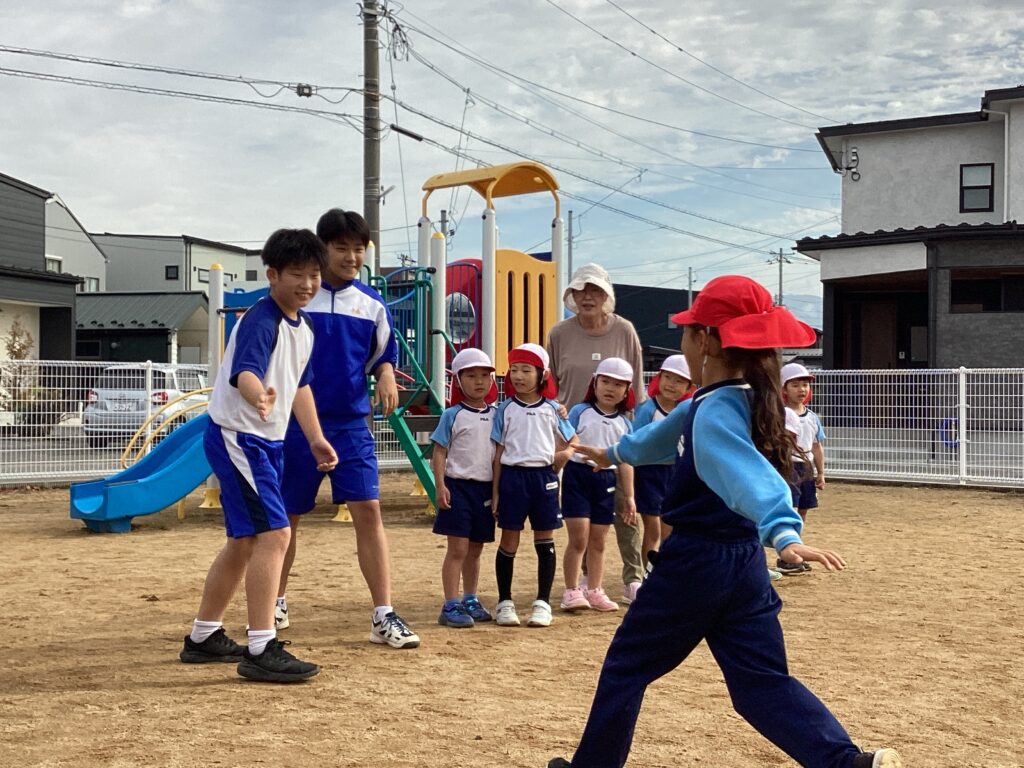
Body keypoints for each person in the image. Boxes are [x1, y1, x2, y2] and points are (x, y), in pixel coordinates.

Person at [550, 275, 902, 768]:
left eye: (688, 331)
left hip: (696, 561)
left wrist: (783, 530)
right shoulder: (741, 397)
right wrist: (610, 454)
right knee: (761, 683)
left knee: (626, 668)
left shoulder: (712, 410)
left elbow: (749, 475)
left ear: (706, 341)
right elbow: (655, 440)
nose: (684, 341)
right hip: (744, 566)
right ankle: (849, 763)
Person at [179, 229, 337, 683]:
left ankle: (204, 637)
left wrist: (315, 438)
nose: (307, 284)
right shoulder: (261, 318)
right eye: (296, 275)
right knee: (276, 535)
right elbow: (245, 371)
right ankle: (261, 646)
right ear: (272, 274)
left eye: (313, 275)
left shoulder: (303, 327)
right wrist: (257, 397)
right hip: (239, 437)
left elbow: (299, 385)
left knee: (246, 540)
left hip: (266, 442)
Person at [278, 209, 419, 649]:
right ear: (322, 249)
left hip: (352, 423)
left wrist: (387, 374)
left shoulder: (372, 304)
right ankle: (274, 602)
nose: (351, 256)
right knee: (287, 518)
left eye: (358, 248)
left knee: (369, 510)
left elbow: (382, 355)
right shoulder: (298, 301)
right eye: (341, 248)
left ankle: (383, 614)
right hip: (295, 425)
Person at [546, 263, 646, 605]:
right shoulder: (559, 333)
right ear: (571, 295)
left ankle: (634, 577)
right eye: (580, 290)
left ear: (607, 295)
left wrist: (638, 432)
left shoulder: (625, 330)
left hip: (618, 433)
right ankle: (587, 582)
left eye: (596, 291)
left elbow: (639, 385)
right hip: (573, 435)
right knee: (584, 518)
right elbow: (554, 384)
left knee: (625, 510)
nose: (588, 297)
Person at [491, 343, 577, 628]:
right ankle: (505, 602)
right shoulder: (504, 410)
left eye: (526, 370)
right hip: (513, 479)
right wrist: (496, 491)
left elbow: (572, 440)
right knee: (509, 540)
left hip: (544, 479)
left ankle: (542, 602)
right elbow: (499, 453)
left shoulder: (553, 410)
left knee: (545, 539)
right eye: (514, 370)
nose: (518, 376)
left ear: (543, 374)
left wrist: (564, 455)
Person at [429, 348, 500, 628]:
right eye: (471, 376)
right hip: (458, 487)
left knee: (476, 548)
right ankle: (450, 603)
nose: (479, 381)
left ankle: (470, 598)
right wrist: (440, 485)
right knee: (457, 548)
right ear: (458, 380)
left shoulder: (498, 415)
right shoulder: (452, 414)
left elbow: (498, 457)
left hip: (484, 490)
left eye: (484, 376)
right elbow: (439, 451)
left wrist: (496, 493)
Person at [561, 358, 637, 613]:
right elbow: (565, 441)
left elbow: (625, 461)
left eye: (618, 384)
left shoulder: (625, 423)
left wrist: (629, 496)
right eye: (605, 381)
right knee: (579, 537)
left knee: (599, 540)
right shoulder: (579, 411)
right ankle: (571, 590)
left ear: (627, 391)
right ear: (594, 382)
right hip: (577, 476)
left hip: (606, 480)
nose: (610, 388)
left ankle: (594, 589)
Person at [631, 354, 693, 567]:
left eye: (679, 381)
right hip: (649, 473)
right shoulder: (648, 409)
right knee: (653, 526)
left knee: (670, 526)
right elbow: (635, 441)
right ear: (659, 378)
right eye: (668, 378)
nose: (672, 385)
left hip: (675, 473)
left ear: (688, 387)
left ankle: (665, 568)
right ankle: (649, 572)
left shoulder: (686, 411)